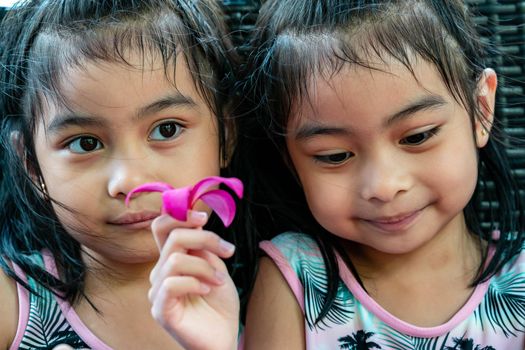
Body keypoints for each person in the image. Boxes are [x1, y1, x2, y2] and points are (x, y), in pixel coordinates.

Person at [148, 0, 525, 349]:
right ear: (290, 158)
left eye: (417, 137)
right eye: (335, 156)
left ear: (481, 109)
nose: (383, 186)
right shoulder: (296, 277)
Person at [0, 0, 255, 349]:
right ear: (32, 166)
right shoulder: (12, 302)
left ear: (226, 136)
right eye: (85, 143)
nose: (129, 182)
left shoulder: (270, 301)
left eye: (166, 130)